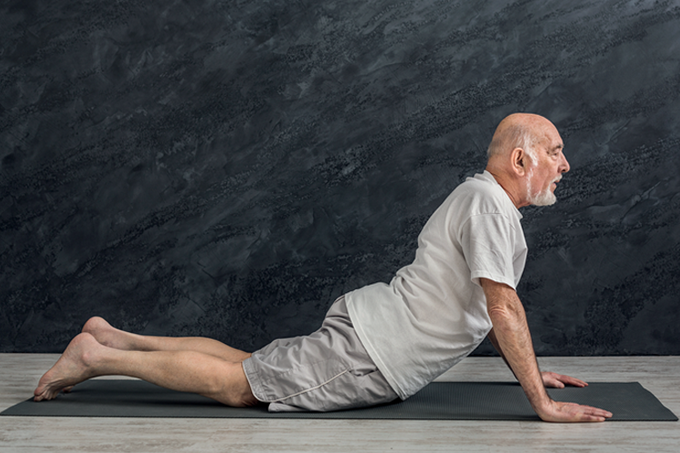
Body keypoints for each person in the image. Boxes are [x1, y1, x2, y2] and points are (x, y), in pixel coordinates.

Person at [34, 113, 613, 422]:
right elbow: (501, 305)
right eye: (555, 150)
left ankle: (113, 337)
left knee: (251, 365)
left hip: (372, 337)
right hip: (372, 355)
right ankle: (98, 358)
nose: (565, 163)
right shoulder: (488, 203)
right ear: (520, 158)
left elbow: (476, 309)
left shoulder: (484, 202)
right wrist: (541, 401)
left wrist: (532, 372)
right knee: (243, 388)